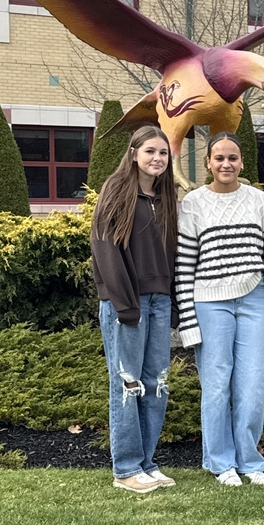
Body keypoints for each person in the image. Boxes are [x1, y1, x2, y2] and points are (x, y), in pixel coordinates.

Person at [175, 131, 264, 486]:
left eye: (232, 158)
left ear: (242, 162)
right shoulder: (193, 203)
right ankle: (221, 462)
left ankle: (251, 462)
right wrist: (189, 323)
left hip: (254, 300)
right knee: (217, 384)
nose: (226, 164)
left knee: (253, 385)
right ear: (208, 163)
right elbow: (184, 267)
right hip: (209, 302)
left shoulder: (259, 201)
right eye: (219, 158)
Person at [91, 125, 179, 493]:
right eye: (150, 152)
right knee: (128, 384)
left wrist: (172, 304)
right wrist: (125, 305)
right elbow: (105, 249)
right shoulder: (117, 192)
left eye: (163, 153)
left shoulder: (165, 196)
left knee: (156, 384)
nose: (157, 158)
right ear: (134, 154)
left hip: (160, 302)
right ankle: (126, 468)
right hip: (127, 304)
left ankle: (147, 462)